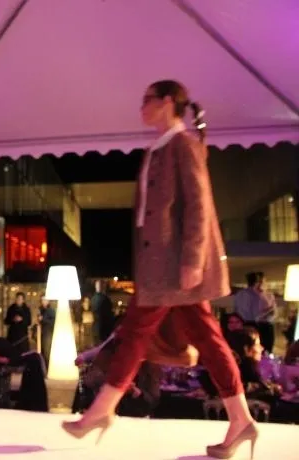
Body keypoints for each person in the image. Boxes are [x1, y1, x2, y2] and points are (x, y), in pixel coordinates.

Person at [62, 80, 257, 460]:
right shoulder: (162, 147)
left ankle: (102, 410)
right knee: (203, 337)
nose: (142, 107)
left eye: (147, 100)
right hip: (162, 269)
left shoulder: (182, 145)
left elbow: (199, 206)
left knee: (138, 333)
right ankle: (241, 418)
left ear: (168, 102)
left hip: (174, 268)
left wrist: (191, 262)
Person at [90, 280, 115, 344]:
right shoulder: (105, 299)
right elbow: (108, 314)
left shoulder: (93, 299)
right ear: (103, 287)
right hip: (104, 330)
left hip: (95, 329)